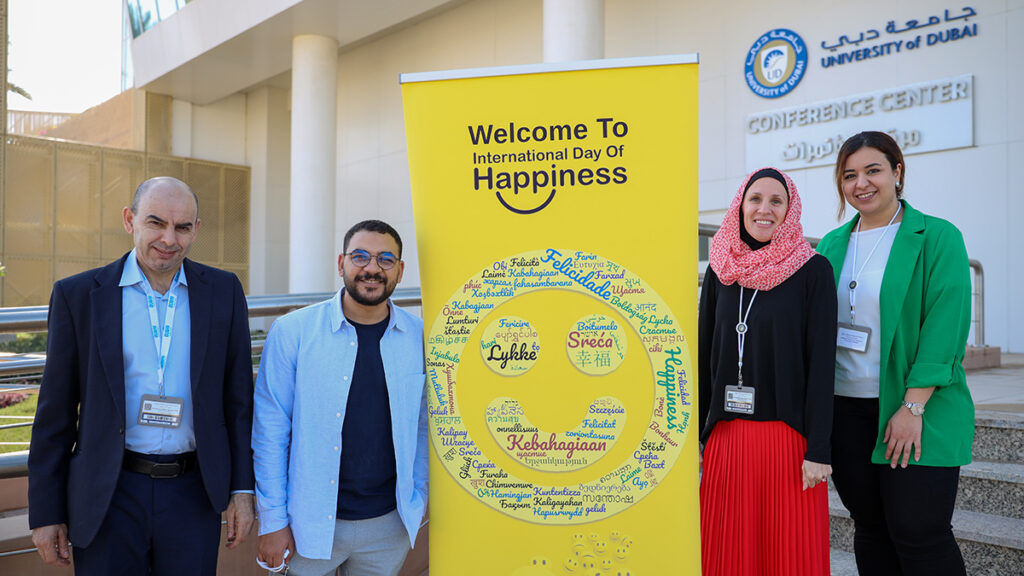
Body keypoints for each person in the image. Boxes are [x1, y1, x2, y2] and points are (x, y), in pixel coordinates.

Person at [28, 177, 255, 575]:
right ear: (129, 220)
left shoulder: (223, 291)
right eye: (156, 222)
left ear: (196, 230)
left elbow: (238, 401)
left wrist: (241, 489)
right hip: (108, 493)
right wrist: (46, 512)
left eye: (182, 227)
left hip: (194, 494)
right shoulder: (78, 296)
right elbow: (54, 413)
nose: (169, 239)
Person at [816, 131, 973, 575]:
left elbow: (945, 326)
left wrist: (912, 407)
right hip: (846, 412)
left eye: (873, 170)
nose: (861, 183)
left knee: (920, 533)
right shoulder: (830, 245)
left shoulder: (937, 236)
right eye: (849, 175)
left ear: (897, 172)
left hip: (916, 407)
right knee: (870, 528)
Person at [253, 220, 427, 576]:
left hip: (389, 526)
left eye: (385, 259)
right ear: (340, 263)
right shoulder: (293, 331)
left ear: (400, 270)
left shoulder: (419, 338)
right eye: (359, 256)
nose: (372, 268)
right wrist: (273, 521)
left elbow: (423, 425)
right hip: (306, 523)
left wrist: (418, 496)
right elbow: (270, 431)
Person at [698, 167, 837, 575]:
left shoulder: (812, 270)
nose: (765, 209)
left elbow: (822, 365)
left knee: (788, 555)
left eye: (777, 201)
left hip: (788, 440)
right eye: (755, 199)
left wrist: (819, 450)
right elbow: (706, 355)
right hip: (728, 438)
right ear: (740, 206)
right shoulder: (720, 270)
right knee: (728, 555)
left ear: (790, 210)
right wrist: (696, 439)